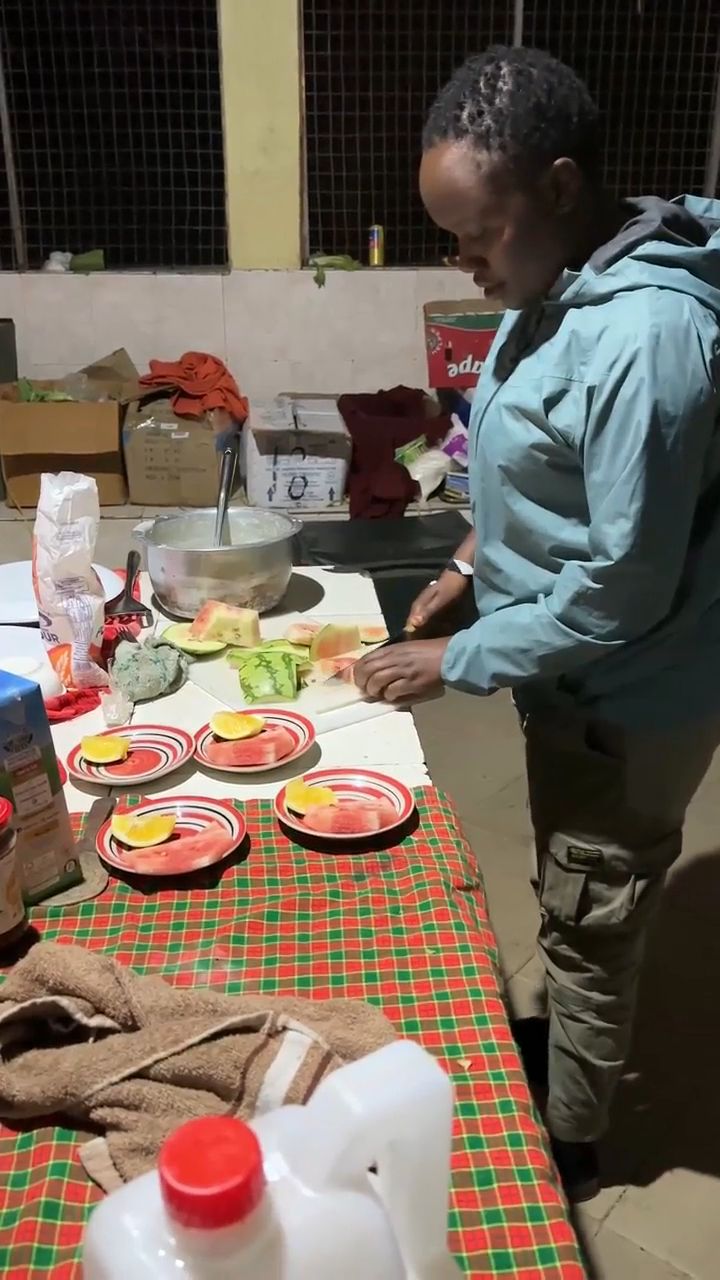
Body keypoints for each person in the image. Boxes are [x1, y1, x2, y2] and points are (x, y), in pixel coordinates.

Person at [354, 45, 720, 1202]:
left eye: (475, 235)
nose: (460, 261)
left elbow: (622, 586)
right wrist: (467, 559)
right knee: (567, 876)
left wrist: (452, 657)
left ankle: (572, 1137)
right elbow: (524, 460)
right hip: (562, 672)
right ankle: (566, 1041)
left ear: (560, 187)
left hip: (632, 691)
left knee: (596, 902)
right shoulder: (556, 282)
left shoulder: (647, 343)